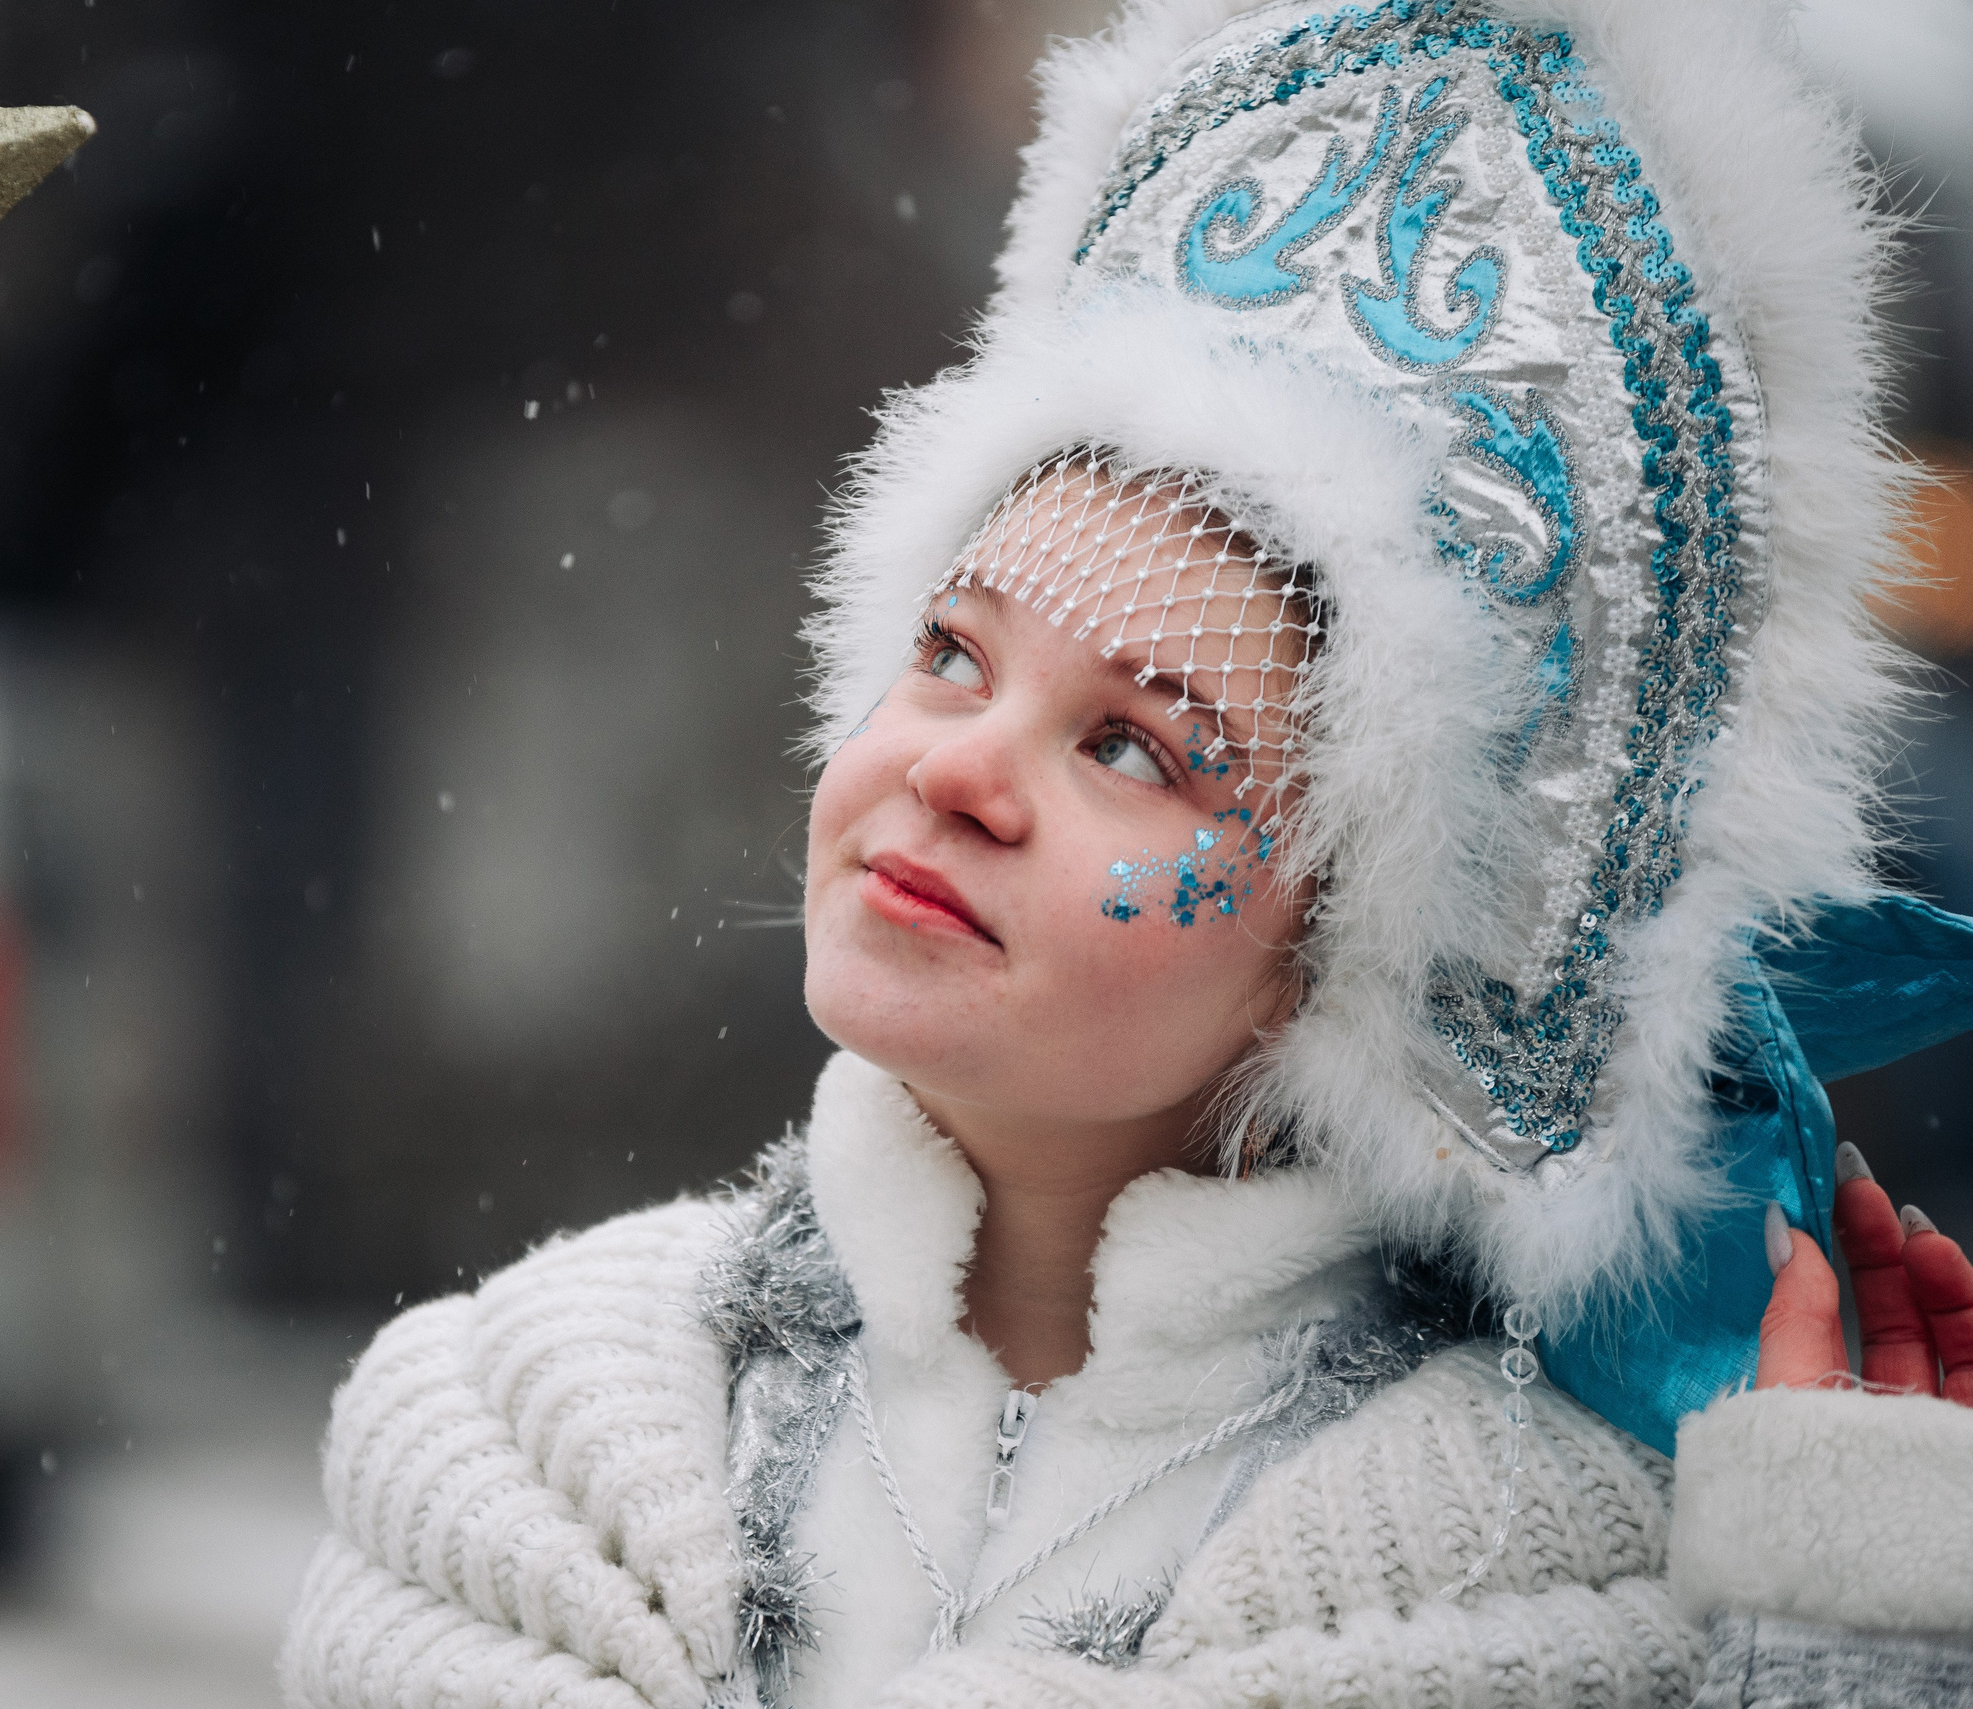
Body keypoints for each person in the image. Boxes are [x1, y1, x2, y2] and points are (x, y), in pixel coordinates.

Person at [278, 2, 1973, 1704]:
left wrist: (1850, 1631)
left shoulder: (1560, 1569)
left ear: (1348, 950)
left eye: (1130, 749)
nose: (959, 771)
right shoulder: (525, 1425)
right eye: (951, 652)